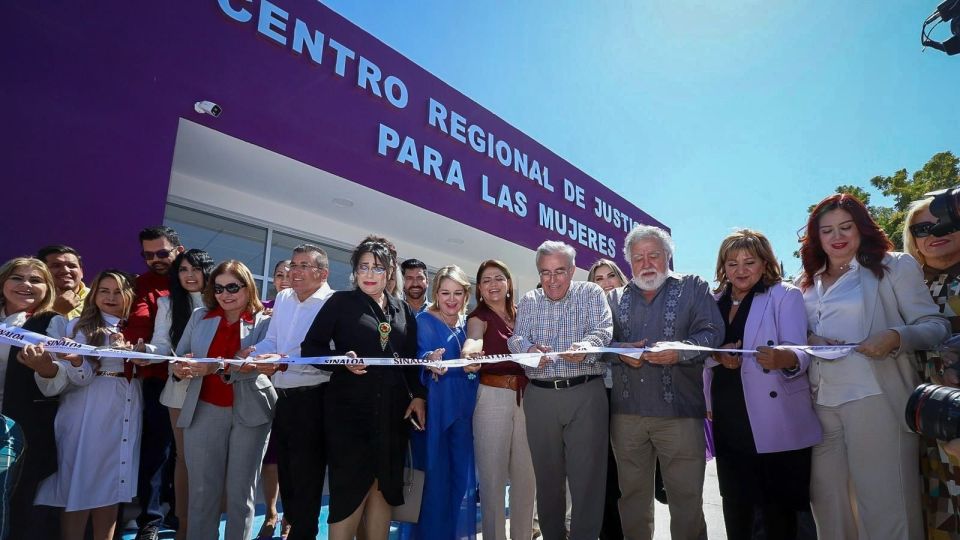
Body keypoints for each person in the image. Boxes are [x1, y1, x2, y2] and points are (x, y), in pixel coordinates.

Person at [798, 193, 949, 539]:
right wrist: (808, 337)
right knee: (829, 506)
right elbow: (798, 335)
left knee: (886, 506)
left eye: (846, 227)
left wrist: (895, 337)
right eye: (827, 230)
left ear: (861, 228)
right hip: (820, 404)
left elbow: (935, 326)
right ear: (816, 237)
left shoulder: (894, 265)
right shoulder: (806, 281)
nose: (837, 237)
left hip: (876, 398)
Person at [301, 237, 426, 540]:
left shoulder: (402, 310)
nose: (369, 274)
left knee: (383, 489)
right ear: (355, 272)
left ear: (390, 272)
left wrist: (419, 397)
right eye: (363, 267)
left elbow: (409, 362)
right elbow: (310, 348)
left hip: (392, 417)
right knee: (349, 492)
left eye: (378, 268)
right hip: (349, 416)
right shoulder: (341, 303)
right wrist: (340, 361)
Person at [606, 225, 724, 540]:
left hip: (680, 414)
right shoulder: (614, 298)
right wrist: (619, 352)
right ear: (629, 261)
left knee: (686, 500)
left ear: (667, 256)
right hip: (627, 415)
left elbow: (712, 333)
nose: (646, 264)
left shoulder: (694, 287)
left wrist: (680, 352)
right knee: (632, 499)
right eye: (638, 257)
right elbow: (601, 344)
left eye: (653, 255)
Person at [706, 230, 822, 539]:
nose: (741, 271)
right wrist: (718, 356)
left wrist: (784, 358)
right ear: (722, 267)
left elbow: (801, 351)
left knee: (778, 510)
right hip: (728, 413)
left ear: (764, 262)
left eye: (749, 262)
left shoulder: (785, 295)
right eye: (732, 263)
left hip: (775, 415)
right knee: (737, 502)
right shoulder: (712, 301)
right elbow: (701, 353)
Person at [507, 241, 613, 540]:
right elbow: (516, 339)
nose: (552, 280)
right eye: (545, 273)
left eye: (560, 272)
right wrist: (528, 348)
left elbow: (603, 331)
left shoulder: (590, 293)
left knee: (588, 479)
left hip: (585, 394)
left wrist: (586, 346)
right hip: (539, 396)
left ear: (573, 270)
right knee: (548, 478)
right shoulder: (529, 300)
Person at [33, 270, 142, 540]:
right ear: (94, 294)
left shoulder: (136, 327)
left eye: (118, 291)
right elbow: (78, 379)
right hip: (88, 408)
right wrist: (78, 360)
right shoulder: (78, 326)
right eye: (104, 290)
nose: (111, 297)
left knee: (113, 482)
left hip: (127, 402)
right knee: (79, 481)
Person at [170, 260, 274, 540]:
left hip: (250, 412)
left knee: (242, 491)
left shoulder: (266, 320)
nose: (225, 294)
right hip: (204, 409)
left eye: (232, 287)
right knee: (202, 490)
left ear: (247, 287)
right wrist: (179, 368)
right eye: (218, 288)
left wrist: (215, 367)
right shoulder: (200, 317)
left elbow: (258, 365)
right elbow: (179, 356)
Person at [248, 244, 334, 540]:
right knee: (287, 474)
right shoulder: (283, 298)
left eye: (303, 266)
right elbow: (272, 341)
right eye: (293, 265)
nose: (293, 272)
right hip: (282, 399)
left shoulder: (333, 303)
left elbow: (329, 356)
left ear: (322, 273)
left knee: (307, 479)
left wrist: (282, 362)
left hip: (314, 400)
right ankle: (291, 526)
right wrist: (250, 354)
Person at [145, 249, 214, 540]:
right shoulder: (168, 303)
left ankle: (206, 522)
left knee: (211, 460)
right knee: (184, 458)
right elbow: (160, 345)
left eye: (195, 269)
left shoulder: (221, 300)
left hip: (216, 388)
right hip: (179, 387)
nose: (189, 275)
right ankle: (184, 525)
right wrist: (143, 352)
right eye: (183, 269)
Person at [466, 260, 536, 540]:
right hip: (491, 399)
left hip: (528, 398)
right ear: (480, 289)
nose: (493, 284)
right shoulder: (477, 318)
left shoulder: (525, 315)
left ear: (509, 284)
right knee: (493, 479)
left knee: (526, 477)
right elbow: (473, 341)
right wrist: (470, 354)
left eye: (499, 278)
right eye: (486, 280)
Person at [407, 265, 478, 538]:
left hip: (465, 410)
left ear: (466, 294)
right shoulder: (424, 319)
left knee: (460, 482)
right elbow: (419, 354)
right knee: (435, 484)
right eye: (445, 292)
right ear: (436, 293)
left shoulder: (466, 323)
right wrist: (429, 361)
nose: (451, 299)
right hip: (437, 411)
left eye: (457, 293)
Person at [904, 197, 960, 539]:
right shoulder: (908, 288)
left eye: (946, 223)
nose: (935, 233)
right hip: (926, 432)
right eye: (922, 228)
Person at [126, 226, 184, 540]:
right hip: (154, 382)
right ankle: (150, 519)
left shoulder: (196, 280)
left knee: (185, 454)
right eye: (148, 255)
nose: (155, 260)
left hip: (197, 383)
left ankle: (181, 514)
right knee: (156, 453)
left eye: (162, 253)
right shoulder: (138, 285)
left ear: (179, 249)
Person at [0, 258, 61, 540]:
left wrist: (45, 369)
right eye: (17, 278)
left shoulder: (51, 323)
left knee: (11, 502)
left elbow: (59, 382)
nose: (26, 285)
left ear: (47, 289)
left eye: (35, 280)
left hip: (17, 431)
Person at [259, 258, 291, 539]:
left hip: (293, 393)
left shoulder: (303, 309)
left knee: (290, 458)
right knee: (269, 460)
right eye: (279, 275)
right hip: (262, 393)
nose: (284, 279)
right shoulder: (262, 310)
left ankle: (289, 517)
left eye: (289, 275)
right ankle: (270, 513)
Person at [36, 245, 87, 320]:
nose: (66, 270)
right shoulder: (31, 299)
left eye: (72, 266)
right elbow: (22, 331)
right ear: (41, 271)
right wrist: (55, 312)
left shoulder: (98, 299)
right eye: (56, 266)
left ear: (81, 272)